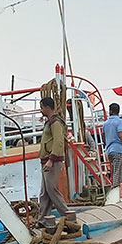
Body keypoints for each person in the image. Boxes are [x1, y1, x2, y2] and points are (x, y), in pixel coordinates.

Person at [37, 97, 73, 230]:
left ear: (47, 107)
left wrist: (51, 159)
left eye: (42, 107)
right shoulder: (50, 122)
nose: (41, 110)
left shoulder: (55, 123)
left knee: (51, 189)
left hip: (51, 160)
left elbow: (58, 142)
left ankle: (67, 215)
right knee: (44, 192)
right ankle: (43, 220)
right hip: (47, 160)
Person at [103, 103, 122, 190]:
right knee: (117, 174)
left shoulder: (106, 123)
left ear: (110, 111)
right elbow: (121, 135)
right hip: (118, 150)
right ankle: (114, 191)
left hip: (109, 151)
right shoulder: (120, 121)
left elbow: (104, 137)